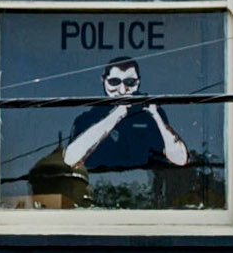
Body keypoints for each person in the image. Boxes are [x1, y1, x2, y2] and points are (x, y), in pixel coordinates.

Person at [62, 56, 191, 173]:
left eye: (130, 82)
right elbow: (70, 158)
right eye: (114, 82)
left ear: (138, 82)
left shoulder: (151, 116)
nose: (123, 90)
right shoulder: (87, 119)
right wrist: (117, 114)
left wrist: (156, 116)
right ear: (103, 81)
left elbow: (180, 159)